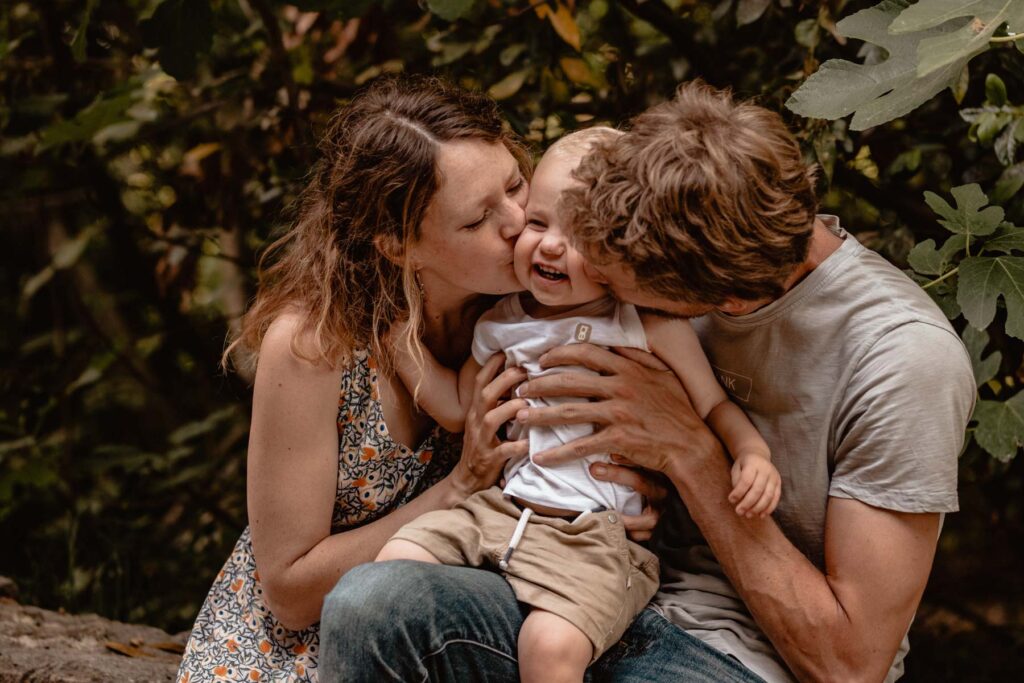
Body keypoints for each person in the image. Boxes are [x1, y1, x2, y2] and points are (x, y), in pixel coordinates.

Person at [318, 81, 976, 682]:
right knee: (373, 603)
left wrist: (691, 454)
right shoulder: (685, 213)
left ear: (710, 296)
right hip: (576, 571)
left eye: (611, 273)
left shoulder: (900, 361)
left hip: (731, 654)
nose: (591, 281)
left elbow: (849, 664)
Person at [176, 75, 661, 683]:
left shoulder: (543, 307)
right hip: (307, 649)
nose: (520, 222)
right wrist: (461, 486)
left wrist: (633, 481)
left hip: (487, 611)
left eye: (515, 184)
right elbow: (290, 594)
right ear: (399, 246)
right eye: (479, 218)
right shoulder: (314, 346)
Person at [375, 127, 779, 683]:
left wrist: (751, 453)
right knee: (389, 577)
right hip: (499, 514)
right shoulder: (499, 322)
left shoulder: (645, 324)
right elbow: (455, 407)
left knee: (550, 649)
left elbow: (712, 406)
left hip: (595, 538)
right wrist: (394, 330)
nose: (550, 245)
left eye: (582, 236)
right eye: (538, 222)